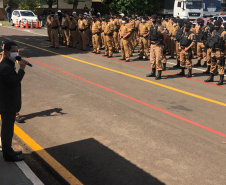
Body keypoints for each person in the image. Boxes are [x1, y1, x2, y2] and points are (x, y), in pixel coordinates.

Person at [0, 42, 27, 162]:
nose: (16, 53)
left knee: (9, 130)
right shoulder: (5, 66)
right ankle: (8, 154)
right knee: (7, 131)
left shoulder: (8, 63)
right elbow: (14, 82)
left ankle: (8, 150)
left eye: (17, 50)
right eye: (13, 51)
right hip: (7, 104)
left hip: (8, 103)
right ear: (6, 52)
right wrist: (21, 70)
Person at [205, 20, 226, 85]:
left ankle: (221, 79)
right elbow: (211, 39)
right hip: (213, 50)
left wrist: (223, 48)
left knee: (220, 65)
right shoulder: (213, 32)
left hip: (220, 51)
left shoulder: (223, 32)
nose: (216, 27)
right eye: (215, 25)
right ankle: (211, 77)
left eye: (217, 25)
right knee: (212, 64)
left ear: (220, 25)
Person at [146, 14, 167, 80]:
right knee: (152, 59)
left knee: (158, 59)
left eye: (153, 19)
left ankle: (159, 74)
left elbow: (165, 35)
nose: (152, 20)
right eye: (151, 19)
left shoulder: (159, 27)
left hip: (158, 45)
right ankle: (153, 72)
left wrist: (163, 42)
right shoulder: (151, 26)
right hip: (152, 44)